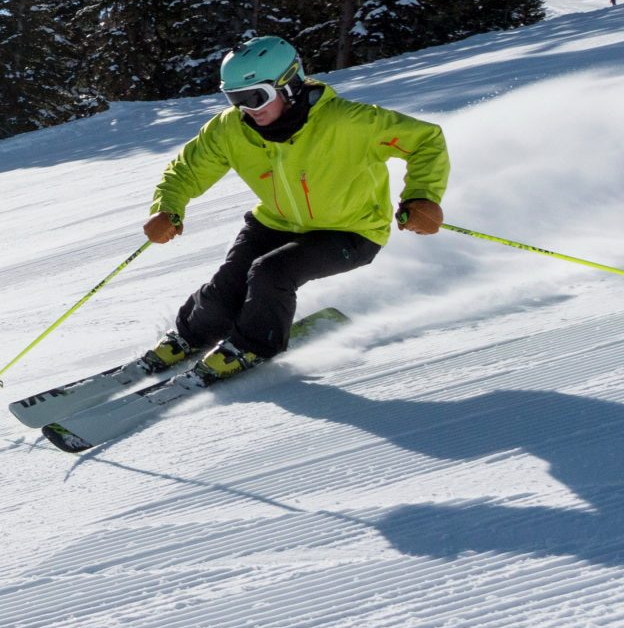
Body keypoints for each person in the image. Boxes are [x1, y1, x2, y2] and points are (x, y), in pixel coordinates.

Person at [138, 36, 449, 378]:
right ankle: (189, 337)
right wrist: (167, 208)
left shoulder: (349, 122)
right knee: (226, 286)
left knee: (271, 273)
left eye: (257, 96)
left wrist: (421, 196)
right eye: (236, 99)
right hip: (276, 221)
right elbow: (187, 169)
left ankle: (254, 346)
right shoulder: (231, 129)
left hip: (351, 231)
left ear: (288, 84)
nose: (249, 109)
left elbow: (425, 141)